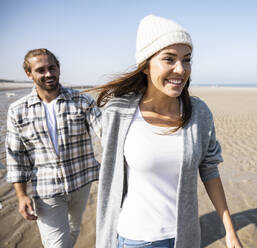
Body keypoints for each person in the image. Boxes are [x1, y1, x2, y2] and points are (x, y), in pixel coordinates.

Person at [91, 15, 243, 248]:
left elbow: (209, 169)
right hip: (134, 239)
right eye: (169, 59)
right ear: (145, 65)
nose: (180, 70)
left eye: (187, 59)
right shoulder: (119, 112)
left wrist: (230, 231)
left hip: (184, 238)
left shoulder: (199, 113)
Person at [6, 48, 102, 248]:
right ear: (29, 73)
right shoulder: (17, 111)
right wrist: (21, 195)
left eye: (52, 68)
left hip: (81, 181)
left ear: (59, 69)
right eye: (41, 70)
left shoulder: (82, 101)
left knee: (74, 228)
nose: (48, 74)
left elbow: (106, 133)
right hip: (47, 190)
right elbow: (16, 157)